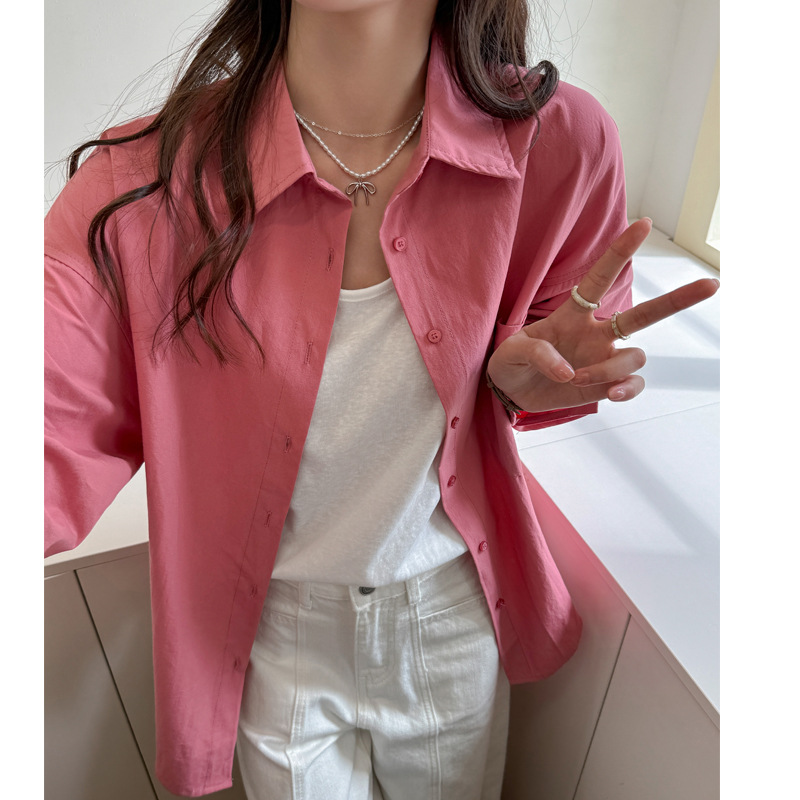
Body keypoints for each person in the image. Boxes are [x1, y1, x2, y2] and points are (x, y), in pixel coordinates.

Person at [44, 0, 719, 798]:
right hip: (270, 627)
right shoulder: (138, 184)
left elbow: (567, 353)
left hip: (451, 610)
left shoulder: (560, 141)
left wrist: (517, 387)